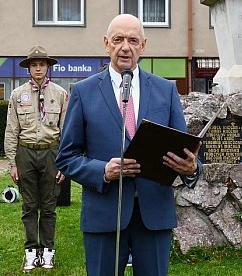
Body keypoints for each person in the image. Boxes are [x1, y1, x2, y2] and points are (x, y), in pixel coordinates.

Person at [56, 14, 203, 276]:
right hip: (104, 215)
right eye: (118, 39)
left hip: (154, 214)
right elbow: (66, 157)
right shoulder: (84, 91)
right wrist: (103, 171)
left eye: (133, 40)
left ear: (143, 46)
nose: (126, 47)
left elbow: (185, 149)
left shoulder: (165, 90)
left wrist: (191, 168)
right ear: (106, 44)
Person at [4, 45, 69, 272]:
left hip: (51, 152)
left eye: (42, 64)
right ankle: (31, 252)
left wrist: (64, 163)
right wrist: (12, 163)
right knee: (29, 206)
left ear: (48, 67)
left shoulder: (60, 94)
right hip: (26, 153)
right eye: (34, 65)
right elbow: (11, 130)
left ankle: (47, 251)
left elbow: (66, 132)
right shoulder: (16, 95)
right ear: (29, 68)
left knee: (49, 206)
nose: (38, 68)